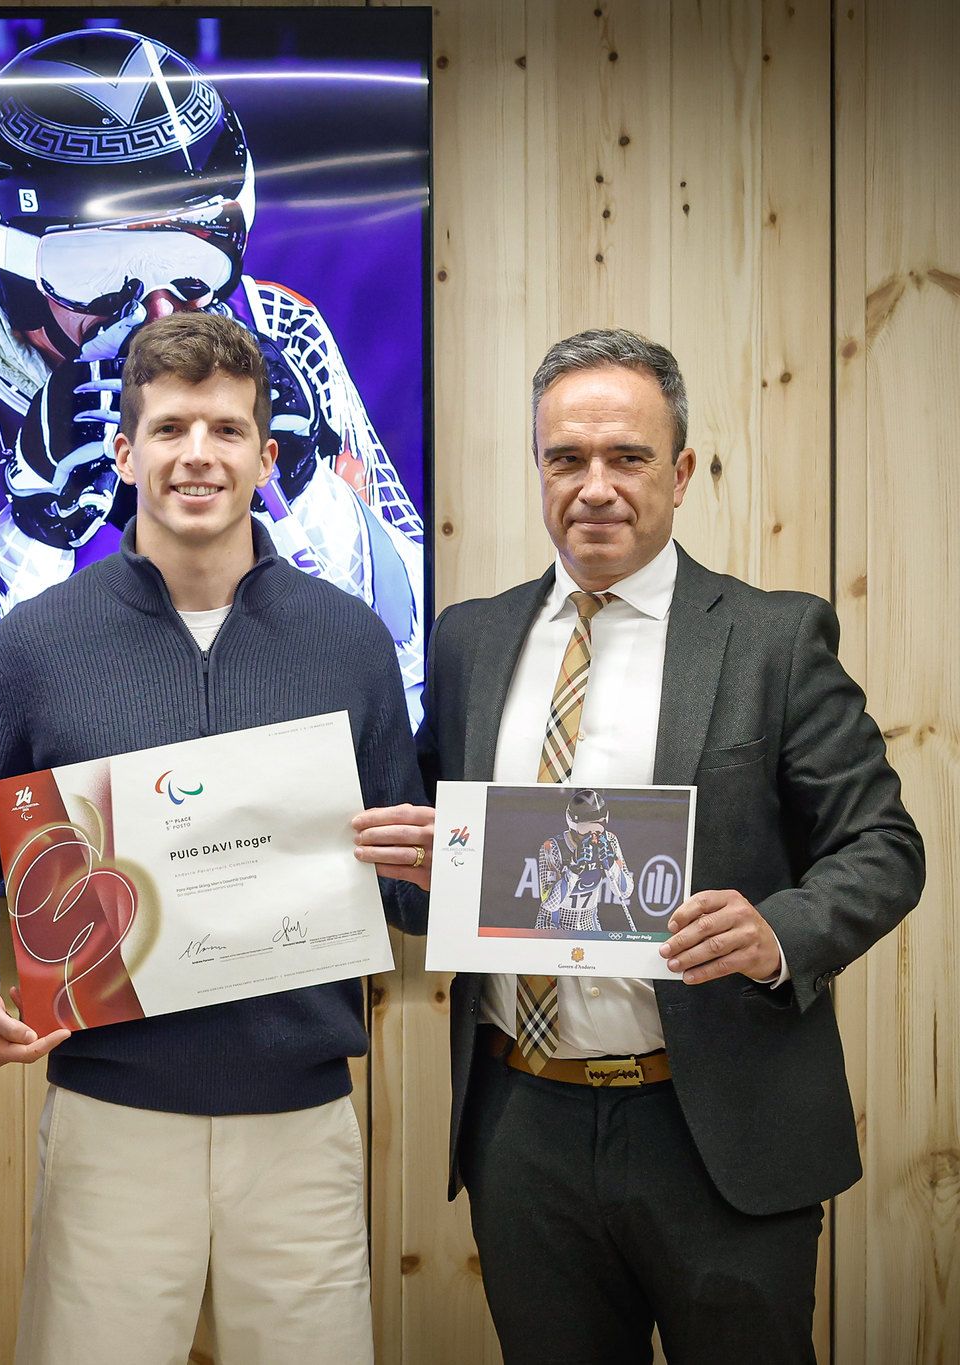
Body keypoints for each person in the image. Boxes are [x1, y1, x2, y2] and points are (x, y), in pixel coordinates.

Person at [353, 329, 924, 1363]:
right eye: (566, 458)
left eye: (627, 457)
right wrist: (412, 869)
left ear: (682, 471)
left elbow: (882, 845)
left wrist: (777, 932)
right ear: (538, 468)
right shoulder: (469, 640)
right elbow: (441, 870)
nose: (595, 487)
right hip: (522, 1124)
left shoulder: (772, 639)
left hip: (718, 1127)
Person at [0, 312, 423, 1362]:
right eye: (168, 429)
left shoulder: (350, 643)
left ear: (265, 456)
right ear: (123, 453)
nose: (196, 454)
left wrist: (433, 865)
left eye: (225, 429)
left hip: (300, 1126)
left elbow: (402, 876)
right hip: (110, 1116)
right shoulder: (34, 643)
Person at [0, 26, 426, 780]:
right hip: (24, 824)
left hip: (251, 794)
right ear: (13, 261)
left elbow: (414, 673)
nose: (157, 309)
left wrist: (312, 494)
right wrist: (28, 536)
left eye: (189, 257)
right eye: (95, 266)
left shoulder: (280, 331)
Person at [534, 788, 636, 932]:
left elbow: (626, 892)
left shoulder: (609, 841)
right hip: (553, 924)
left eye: (598, 826)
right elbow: (550, 904)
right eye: (585, 829)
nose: (592, 835)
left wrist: (612, 865)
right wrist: (574, 868)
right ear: (572, 825)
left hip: (588, 923)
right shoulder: (552, 847)